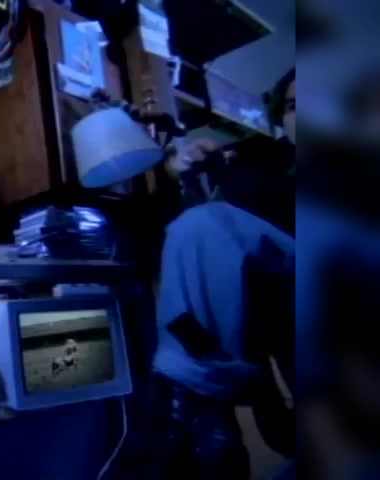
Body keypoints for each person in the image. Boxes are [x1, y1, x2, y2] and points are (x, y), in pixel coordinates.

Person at [130, 69, 297, 480]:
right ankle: (200, 410)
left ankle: (198, 408)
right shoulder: (267, 169)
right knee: (197, 235)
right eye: (294, 106)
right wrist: (187, 179)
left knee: (204, 229)